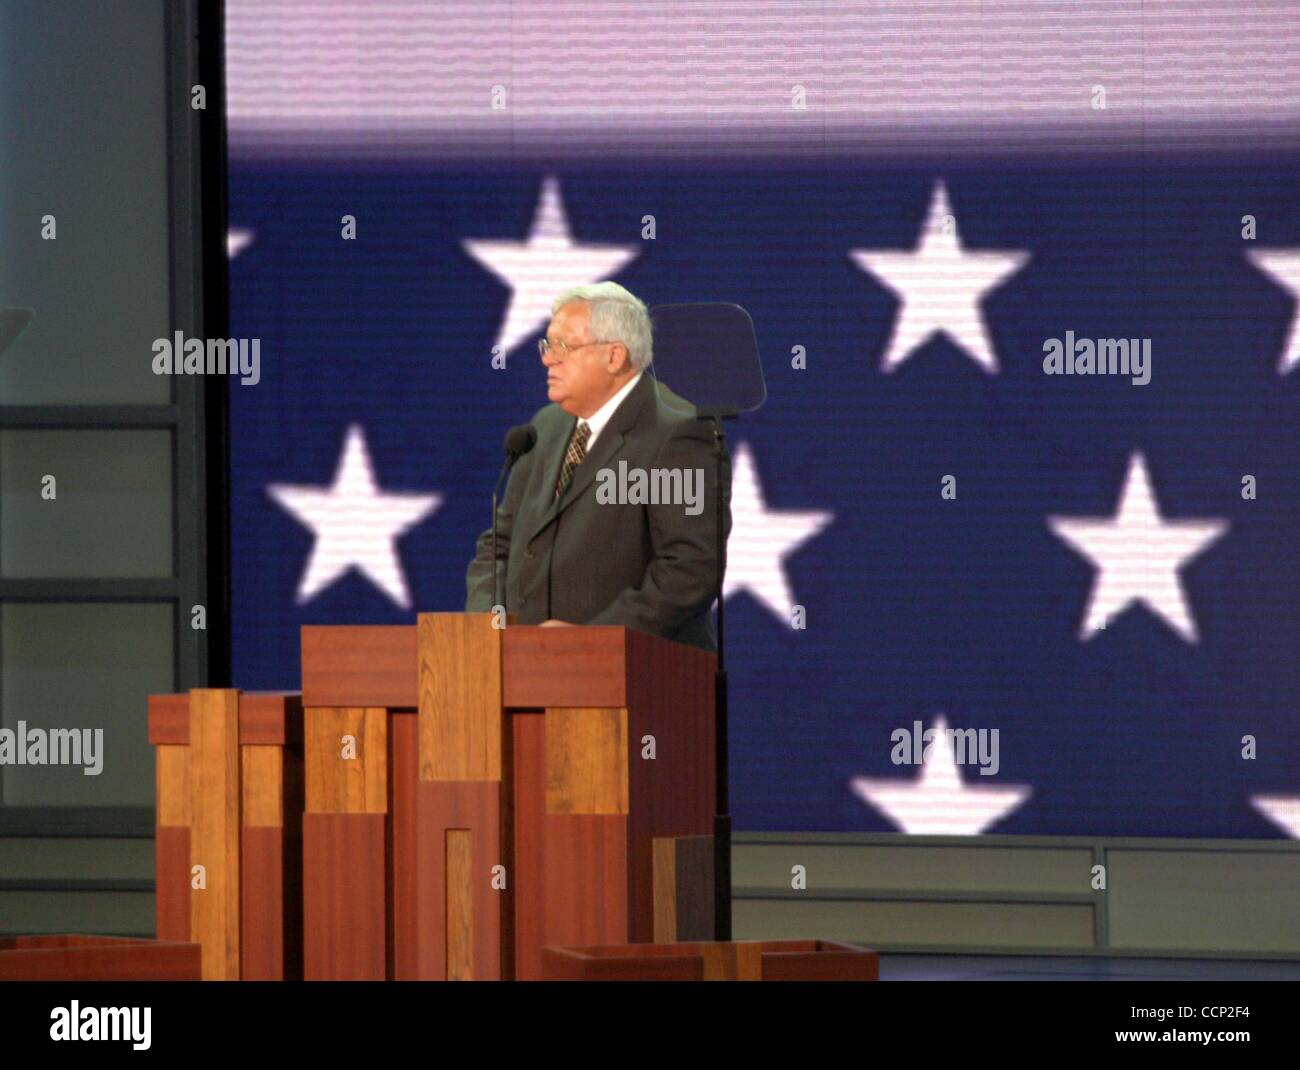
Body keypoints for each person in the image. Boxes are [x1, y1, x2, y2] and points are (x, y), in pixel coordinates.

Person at [465, 281, 729, 651]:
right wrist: (488, 625)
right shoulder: (545, 426)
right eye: (547, 344)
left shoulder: (677, 433)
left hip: (634, 679)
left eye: (563, 346)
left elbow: (688, 570)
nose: (547, 358)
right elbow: (499, 545)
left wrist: (593, 639)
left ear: (614, 356)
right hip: (522, 670)